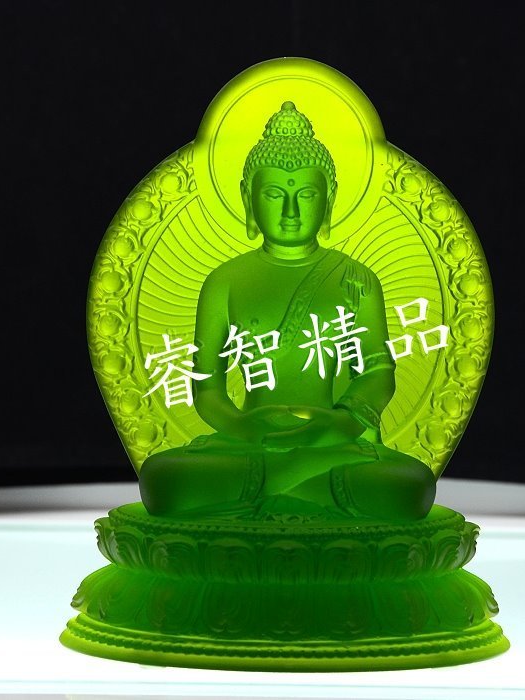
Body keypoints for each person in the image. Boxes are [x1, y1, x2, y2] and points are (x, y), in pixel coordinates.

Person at [139, 102, 435, 520]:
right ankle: (301, 481)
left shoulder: (357, 278)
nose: (291, 212)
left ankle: (271, 484)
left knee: (409, 484)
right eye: (275, 194)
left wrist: (342, 423)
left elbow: (377, 371)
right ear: (248, 197)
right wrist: (242, 426)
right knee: (166, 478)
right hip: (250, 440)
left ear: (330, 199)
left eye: (307, 195)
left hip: (333, 438)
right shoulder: (224, 281)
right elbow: (206, 388)